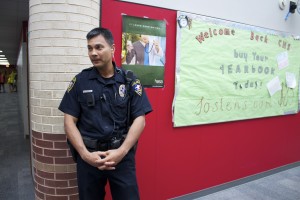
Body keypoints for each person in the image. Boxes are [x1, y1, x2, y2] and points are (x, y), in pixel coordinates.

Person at [58, 27, 152, 200]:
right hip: (89, 158)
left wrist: (122, 151)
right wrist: (85, 155)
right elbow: (69, 121)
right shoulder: (80, 81)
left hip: (121, 157)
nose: (93, 53)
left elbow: (140, 119)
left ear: (113, 48)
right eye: (90, 48)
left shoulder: (130, 80)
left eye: (99, 47)